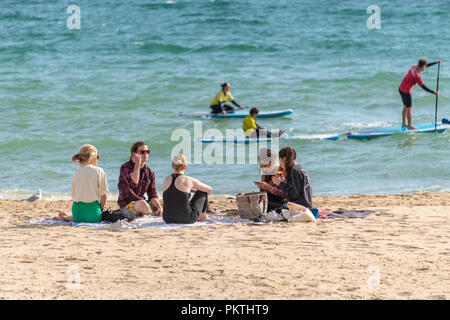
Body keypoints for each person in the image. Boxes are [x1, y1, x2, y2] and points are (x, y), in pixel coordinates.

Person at [53, 144, 108, 222]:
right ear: (93, 157)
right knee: (101, 212)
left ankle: (66, 218)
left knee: (82, 215)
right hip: (93, 215)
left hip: (77, 213)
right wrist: (101, 208)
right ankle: (66, 218)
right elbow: (104, 195)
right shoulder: (99, 171)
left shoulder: (77, 172)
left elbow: (74, 195)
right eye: (97, 156)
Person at [162, 154, 212, 224]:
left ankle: (201, 216)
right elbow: (209, 190)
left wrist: (188, 189)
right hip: (187, 218)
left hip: (167, 218)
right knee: (202, 191)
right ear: (185, 166)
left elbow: (173, 194)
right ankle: (202, 216)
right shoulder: (188, 179)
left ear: (173, 165)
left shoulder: (166, 179)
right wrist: (194, 187)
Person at [117, 141, 163, 217]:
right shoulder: (125, 168)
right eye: (142, 152)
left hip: (143, 203)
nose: (145, 154)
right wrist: (138, 163)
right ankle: (152, 215)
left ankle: (152, 214)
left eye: (147, 152)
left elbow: (152, 194)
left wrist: (160, 208)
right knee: (143, 204)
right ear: (133, 154)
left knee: (166, 204)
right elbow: (133, 183)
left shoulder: (150, 172)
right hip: (128, 205)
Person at [399, 58, 440, 129]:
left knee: (405, 106)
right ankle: (409, 126)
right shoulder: (417, 76)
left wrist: (436, 63)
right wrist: (434, 92)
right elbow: (423, 87)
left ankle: (403, 123)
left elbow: (426, 65)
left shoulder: (414, 67)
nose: (425, 68)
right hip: (406, 91)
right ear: (423, 66)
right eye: (425, 66)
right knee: (409, 108)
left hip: (400, 88)